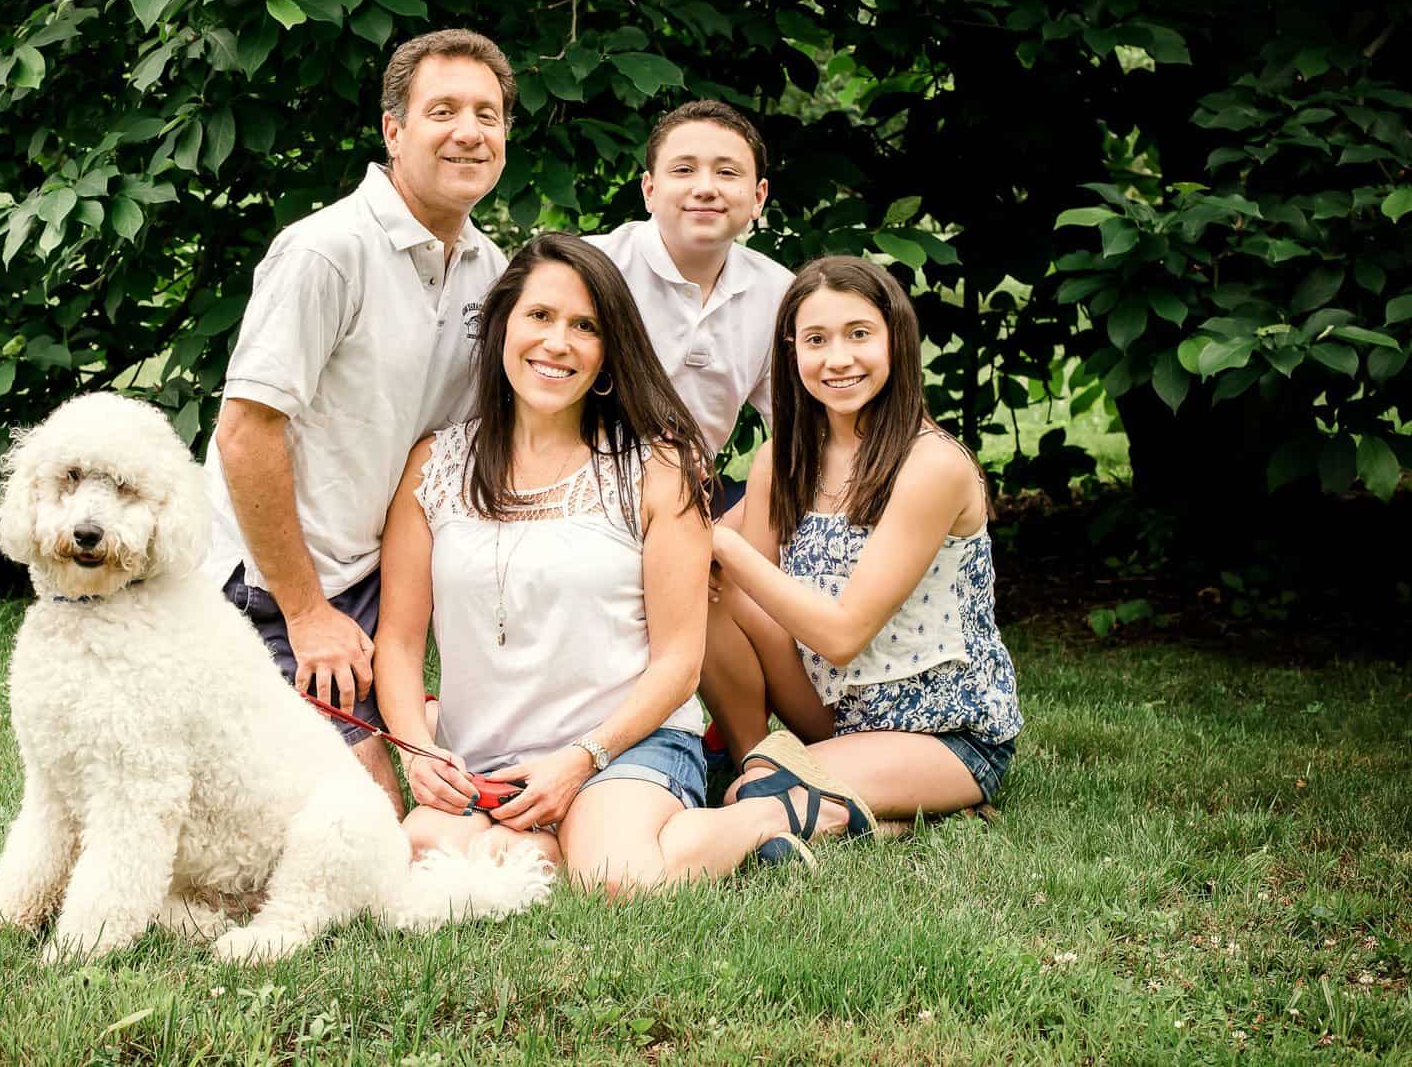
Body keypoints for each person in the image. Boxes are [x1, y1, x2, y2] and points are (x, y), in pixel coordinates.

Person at [372, 234, 871, 890]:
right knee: (421, 852)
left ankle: (764, 815)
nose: (557, 342)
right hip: (485, 756)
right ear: (501, 330)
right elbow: (400, 644)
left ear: (607, 356)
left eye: (585, 327)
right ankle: (549, 841)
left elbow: (678, 662)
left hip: (625, 745)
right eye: (540, 316)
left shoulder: (657, 468)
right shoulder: (435, 467)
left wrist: (582, 758)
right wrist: (417, 749)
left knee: (617, 875)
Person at [202, 29, 514, 814]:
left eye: (488, 113)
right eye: (443, 110)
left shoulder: (492, 270)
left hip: (388, 584)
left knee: (445, 802)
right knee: (376, 821)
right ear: (393, 130)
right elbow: (245, 434)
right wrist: (308, 616)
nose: (469, 131)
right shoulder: (326, 252)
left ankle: (410, 722)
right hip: (278, 588)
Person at [706, 256, 1023, 838]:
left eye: (859, 335)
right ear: (791, 350)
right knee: (706, 596)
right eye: (816, 339)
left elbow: (843, 635)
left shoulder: (931, 465)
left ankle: (894, 806)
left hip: (938, 728)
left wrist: (723, 542)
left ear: (895, 340)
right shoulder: (783, 456)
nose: (838, 359)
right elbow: (749, 605)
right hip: (831, 711)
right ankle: (757, 754)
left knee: (753, 797)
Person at [584, 99, 793, 506]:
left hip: (689, 496)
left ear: (758, 197)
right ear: (649, 190)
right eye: (683, 170)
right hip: (573, 489)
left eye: (727, 173)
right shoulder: (591, 269)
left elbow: (802, 431)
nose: (705, 188)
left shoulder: (779, 293)